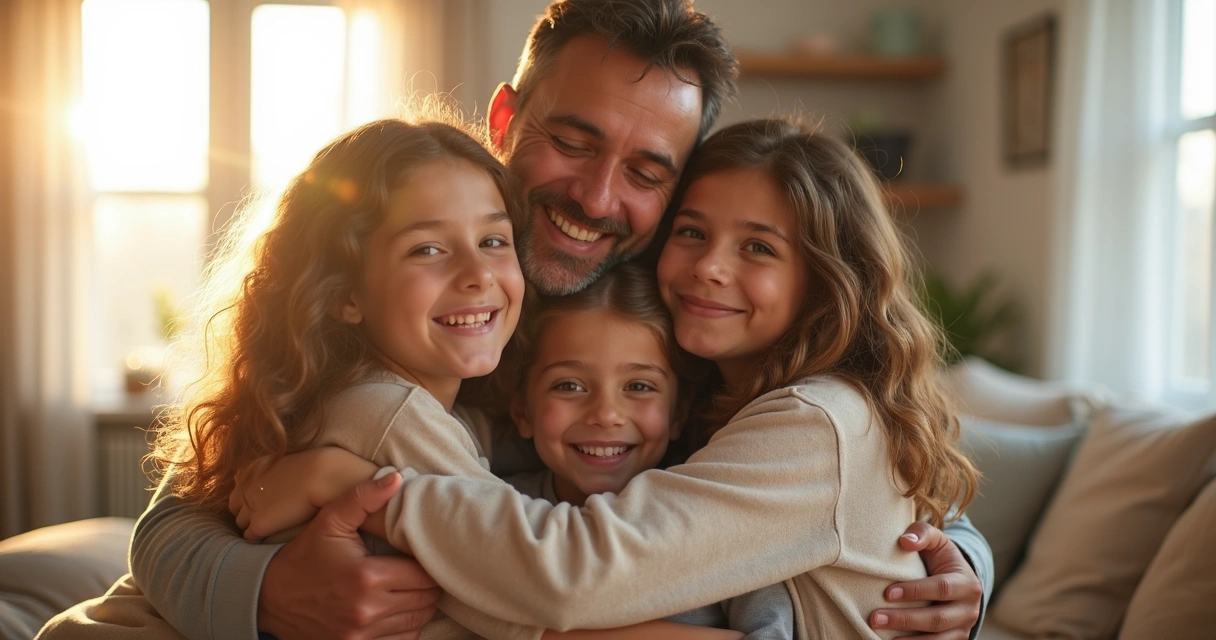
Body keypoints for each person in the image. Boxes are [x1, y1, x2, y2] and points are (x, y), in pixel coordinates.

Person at [129, 1, 993, 639]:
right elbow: (187, 508)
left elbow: (874, 497)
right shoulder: (401, 302)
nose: (596, 197)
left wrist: (966, 568)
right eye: (574, 142)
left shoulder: (681, 309)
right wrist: (263, 588)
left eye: (648, 172)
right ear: (507, 118)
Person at [240, 264, 799, 640]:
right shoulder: (480, 506)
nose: (606, 413)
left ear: (679, 413)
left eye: (640, 386)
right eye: (568, 386)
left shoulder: (716, 521)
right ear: (522, 411)